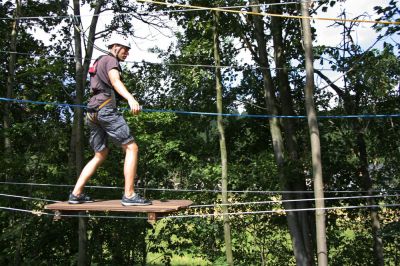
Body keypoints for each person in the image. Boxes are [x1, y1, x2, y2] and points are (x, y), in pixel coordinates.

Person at [68, 36, 151, 206]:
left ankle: (76, 194)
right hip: (105, 109)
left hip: (92, 112)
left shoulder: (99, 61)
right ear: (115, 46)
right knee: (131, 147)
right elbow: (115, 80)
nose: (127, 53)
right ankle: (129, 195)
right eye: (125, 49)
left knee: (100, 153)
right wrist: (130, 99)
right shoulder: (111, 60)